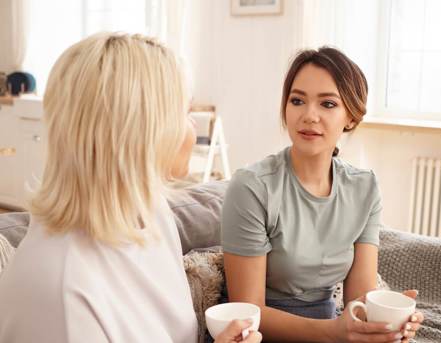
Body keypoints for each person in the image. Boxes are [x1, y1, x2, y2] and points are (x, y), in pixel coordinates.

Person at [0, 33, 261, 343]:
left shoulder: (151, 212)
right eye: (185, 113)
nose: (193, 127)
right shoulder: (61, 291)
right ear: (145, 130)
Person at [221, 47, 424, 342]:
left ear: (351, 117)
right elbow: (247, 312)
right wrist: (333, 332)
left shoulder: (364, 188)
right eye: (297, 100)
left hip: (329, 326)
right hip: (258, 334)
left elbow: (360, 299)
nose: (309, 115)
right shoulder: (252, 187)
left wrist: (386, 321)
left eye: (327, 104)